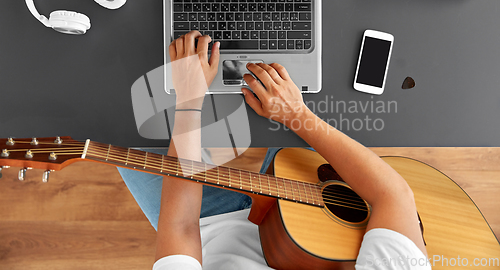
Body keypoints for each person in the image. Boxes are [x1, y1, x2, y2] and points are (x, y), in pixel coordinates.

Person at [118, 30, 430, 270]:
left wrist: (189, 99)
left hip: (207, 227)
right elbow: (394, 197)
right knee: (310, 82)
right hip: (309, 215)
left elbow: (182, 226)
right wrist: (296, 115)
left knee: (119, 122)